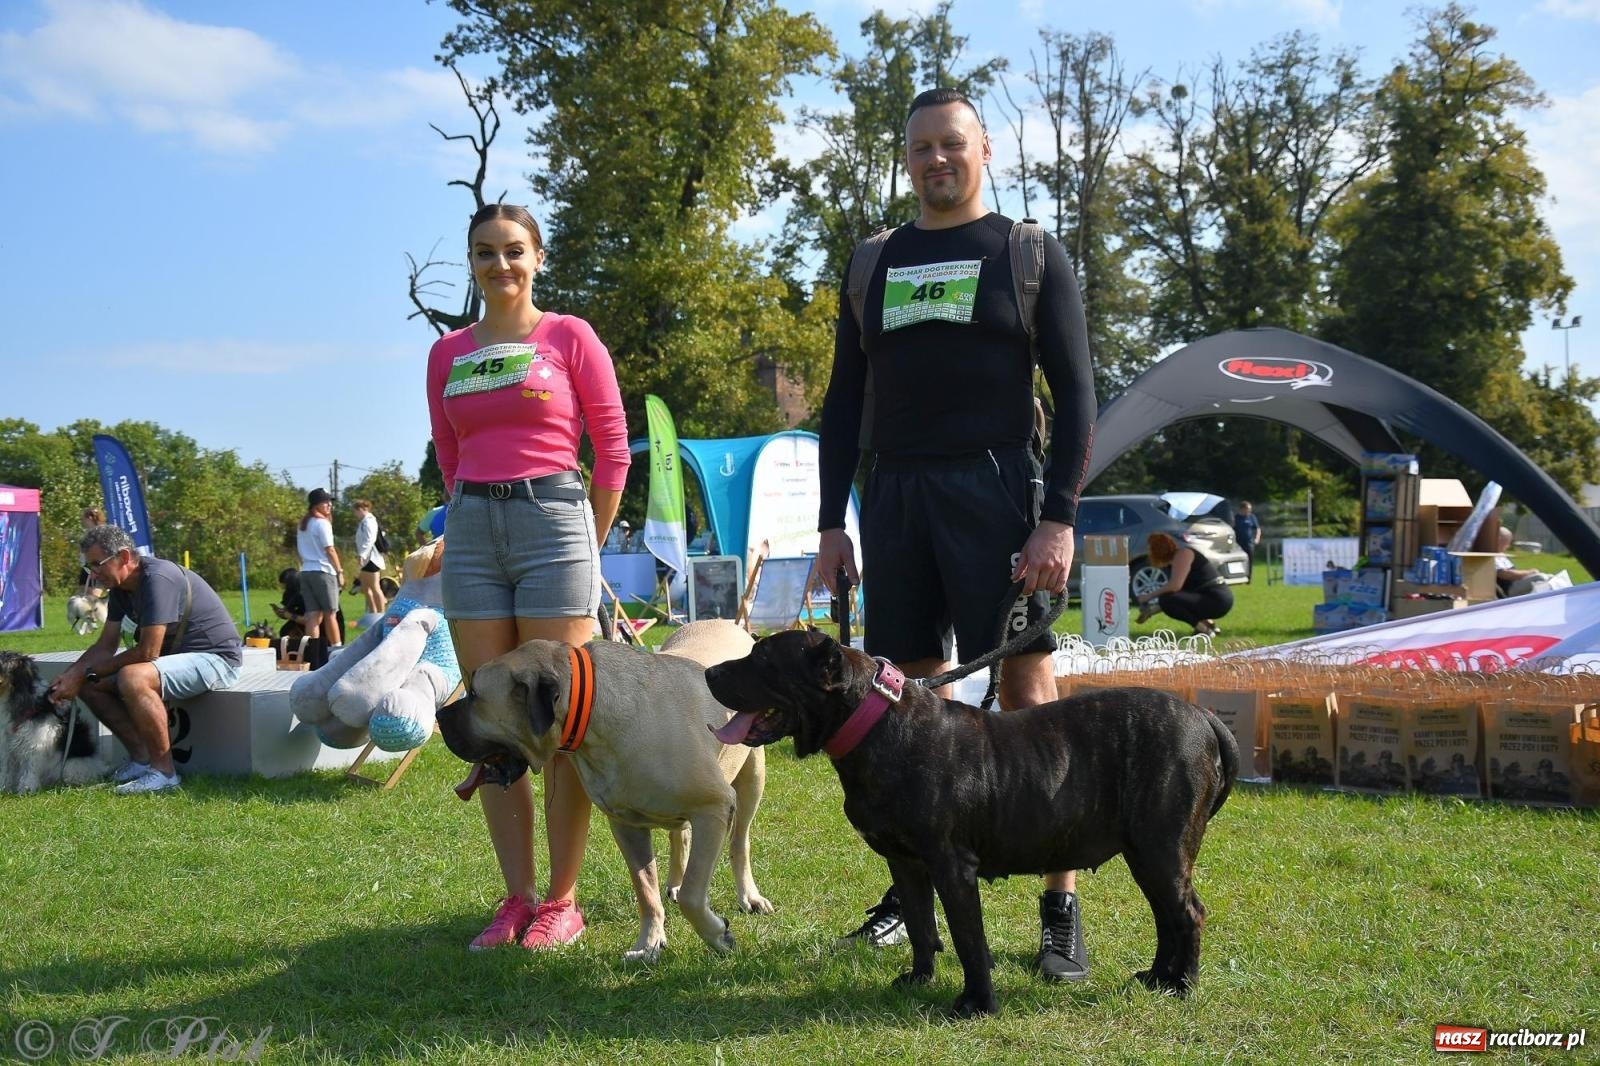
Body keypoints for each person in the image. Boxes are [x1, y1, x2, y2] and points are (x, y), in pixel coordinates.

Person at [813, 88, 1098, 983]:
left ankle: (1061, 906)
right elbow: (842, 405)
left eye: (953, 144)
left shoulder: (1028, 253)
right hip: (894, 492)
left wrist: (1058, 517)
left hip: (997, 486)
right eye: (922, 148)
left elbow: (1080, 393)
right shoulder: (874, 263)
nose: (937, 160)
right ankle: (919, 898)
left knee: (1026, 687)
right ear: (906, 159)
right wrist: (831, 523)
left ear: (985, 152)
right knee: (905, 697)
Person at [427, 202, 629, 952]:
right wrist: (463, 519)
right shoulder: (447, 352)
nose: (500, 265)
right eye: (484, 253)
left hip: (556, 522)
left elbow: (613, 451)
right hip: (473, 529)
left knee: (561, 716)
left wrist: (591, 541)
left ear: (538, 257)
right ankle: (514, 898)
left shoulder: (568, 336)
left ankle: (563, 899)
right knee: (493, 717)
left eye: (514, 251)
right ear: (472, 263)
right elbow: (448, 456)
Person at [45, 524, 243, 794]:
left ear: (124, 557)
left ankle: (165, 773)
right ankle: (141, 760)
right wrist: (74, 675)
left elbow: (147, 652)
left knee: (133, 676)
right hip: (177, 658)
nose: (93, 574)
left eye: (97, 564)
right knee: (90, 683)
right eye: (89, 567)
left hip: (217, 659)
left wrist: (85, 673)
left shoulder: (157, 578)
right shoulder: (120, 589)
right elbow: (105, 645)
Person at [1134, 531, 1234, 636]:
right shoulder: (1174, 561)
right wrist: (1151, 610)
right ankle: (1210, 626)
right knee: (1169, 600)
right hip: (1208, 597)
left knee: (1166, 599)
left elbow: (1175, 586)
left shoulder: (1183, 554)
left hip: (1216, 598)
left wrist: (1148, 596)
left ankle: (1203, 630)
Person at [296, 488, 344, 668]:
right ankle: (337, 651)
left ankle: (311, 655)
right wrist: (339, 571)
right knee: (331, 613)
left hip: (306, 570)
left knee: (313, 615)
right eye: (326, 502)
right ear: (316, 504)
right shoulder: (322, 523)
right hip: (323, 571)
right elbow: (329, 549)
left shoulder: (304, 523)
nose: (329, 505)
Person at [352, 499, 388, 616]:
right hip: (366, 559)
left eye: (355, 511)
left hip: (371, 559)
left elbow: (370, 539)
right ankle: (372, 613)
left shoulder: (369, 521)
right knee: (365, 588)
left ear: (361, 509)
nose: (355, 514)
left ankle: (381, 614)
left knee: (375, 587)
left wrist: (362, 554)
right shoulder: (364, 522)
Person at [1492, 526, 1550, 597]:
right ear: (1498, 540)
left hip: (1516, 583)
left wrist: (1529, 573)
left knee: (1550, 577)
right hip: (1510, 589)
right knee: (1540, 578)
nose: (1507, 546)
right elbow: (1505, 574)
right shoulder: (1491, 556)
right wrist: (1529, 572)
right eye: (1506, 542)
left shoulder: (1501, 555)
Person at [76, 507, 104, 588]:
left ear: (90, 518)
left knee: (92, 598)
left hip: (94, 569)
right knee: (81, 596)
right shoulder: (86, 533)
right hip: (86, 568)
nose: (82, 520)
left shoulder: (100, 532)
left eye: (83, 518)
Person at [1233, 501, 1261, 579]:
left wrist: (1257, 538)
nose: (1249, 511)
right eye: (1247, 509)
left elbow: (1257, 529)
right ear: (1242, 509)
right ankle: (1239, 576)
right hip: (1238, 543)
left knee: (1250, 560)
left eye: (1250, 509)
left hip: (1249, 543)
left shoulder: (1252, 517)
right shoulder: (1235, 518)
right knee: (1238, 560)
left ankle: (1249, 578)